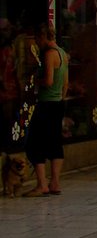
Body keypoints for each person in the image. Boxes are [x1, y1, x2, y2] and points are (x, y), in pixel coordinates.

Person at [24, 24, 68, 196]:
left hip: (46, 103)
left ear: (42, 37)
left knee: (35, 142)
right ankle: (55, 182)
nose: (36, 42)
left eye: (36, 39)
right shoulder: (63, 54)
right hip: (58, 103)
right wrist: (61, 98)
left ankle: (41, 184)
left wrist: (36, 82)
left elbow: (48, 80)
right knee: (55, 142)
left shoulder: (49, 55)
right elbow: (65, 83)